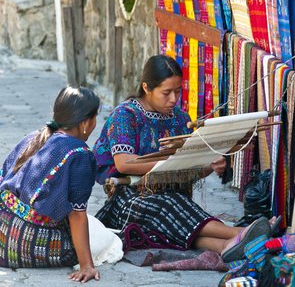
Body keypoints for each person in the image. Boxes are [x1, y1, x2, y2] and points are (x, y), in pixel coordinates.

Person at [93, 55, 278, 263]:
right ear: (146, 88)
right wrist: (171, 164)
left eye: (178, 91)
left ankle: (226, 245)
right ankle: (242, 232)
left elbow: (190, 168)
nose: (173, 98)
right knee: (166, 206)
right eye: (166, 92)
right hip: (129, 198)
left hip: (174, 196)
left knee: (176, 208)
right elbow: (124, 162)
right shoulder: (126, 116)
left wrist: (209, 164)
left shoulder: (181, 119)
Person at [0, 86, 100, 283]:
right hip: (32, 243)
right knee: (105, 238)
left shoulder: (34, 137)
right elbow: (77, 215)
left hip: (3, 234)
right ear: (85, 123)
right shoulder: (80, 154)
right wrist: (86, 265)